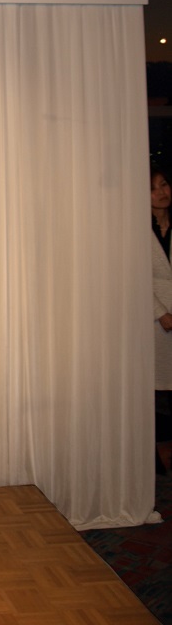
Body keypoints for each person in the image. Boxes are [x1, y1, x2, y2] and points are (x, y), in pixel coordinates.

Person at [150, 168, 172, 473]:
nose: (161, 192)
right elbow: (134, 276)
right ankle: (155, 458)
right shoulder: (138, 229)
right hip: (153, 321)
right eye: (153, 189)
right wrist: (160, 312)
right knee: (155, 391)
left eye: (164, 184)